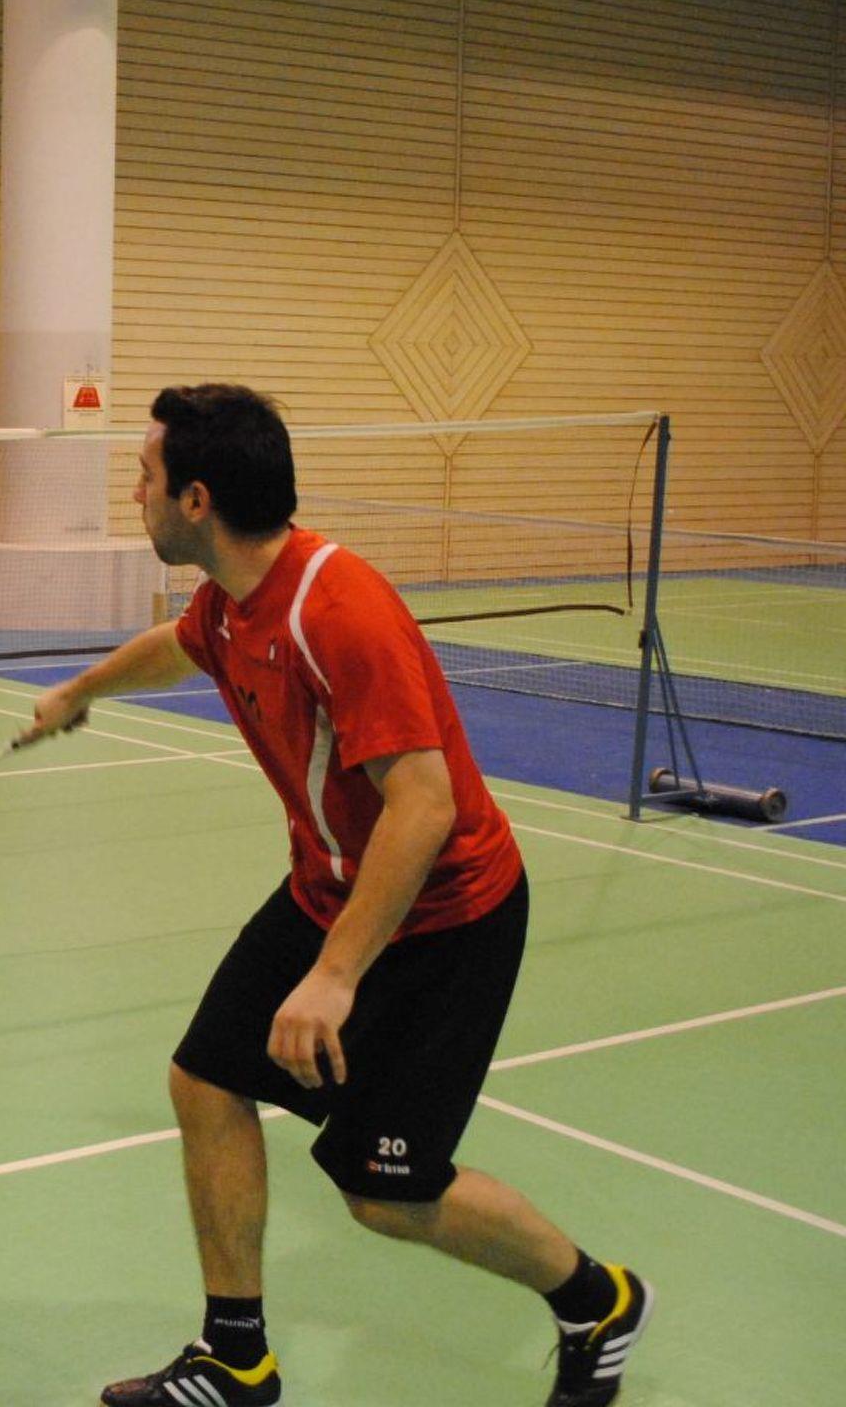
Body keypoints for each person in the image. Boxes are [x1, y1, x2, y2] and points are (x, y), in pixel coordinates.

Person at [32, 384, 649, 1407]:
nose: (132, 493)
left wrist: (332, 977)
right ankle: (236, 1358)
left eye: (142, 477)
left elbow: (424, 806)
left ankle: (599, 1300)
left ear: (195, 500)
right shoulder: (230, 599)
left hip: (445, 917)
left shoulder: (336, 611)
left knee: (385, 1192)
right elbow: (182, 646)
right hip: (330, 886)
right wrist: (79, 691)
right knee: (205, 1082)